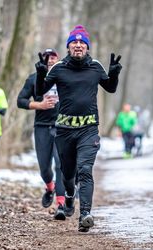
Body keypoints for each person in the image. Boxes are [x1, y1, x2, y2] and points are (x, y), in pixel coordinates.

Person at [35, 25, 122, 232]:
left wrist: (113, 74)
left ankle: (85, 214)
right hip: (64, 130)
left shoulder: (95, 67)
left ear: (87, 47)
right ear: (68, 47)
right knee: (68, 174)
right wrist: (40, 74)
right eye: (74, 42)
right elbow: (40, 92)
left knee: (85, 170)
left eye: (82, 43)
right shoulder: (58, 68)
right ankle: (69, 196)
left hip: (89, 129)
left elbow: (110, 88)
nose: (78, 45)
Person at [17, 48, 66, 220]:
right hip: (42, 127)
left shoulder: (64, 77)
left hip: (62, 127)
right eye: (47, 58)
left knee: (60, 165)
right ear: (43, 61)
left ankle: (61, 204)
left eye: (53, 57)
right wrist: (40, 105)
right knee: (45, 168)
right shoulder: (33, 79)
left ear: (58, 60)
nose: (50, 60)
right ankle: (50, 187)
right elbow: (20, 101)